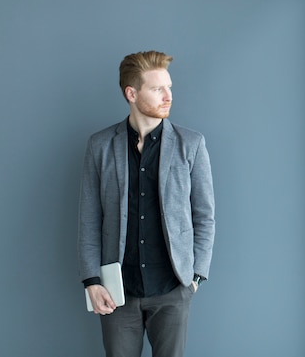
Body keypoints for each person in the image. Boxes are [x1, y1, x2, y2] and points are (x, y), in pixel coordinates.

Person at [78, 50, 215, 357]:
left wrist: (195, 278)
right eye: (157, 89)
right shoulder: (100, 146)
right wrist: (91, 281)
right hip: (117, 292)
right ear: (132, 93)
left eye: (169, 87)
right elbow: (90, 218)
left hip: (173, 289)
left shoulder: (191, 145)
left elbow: (204, 216)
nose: (168, 96)